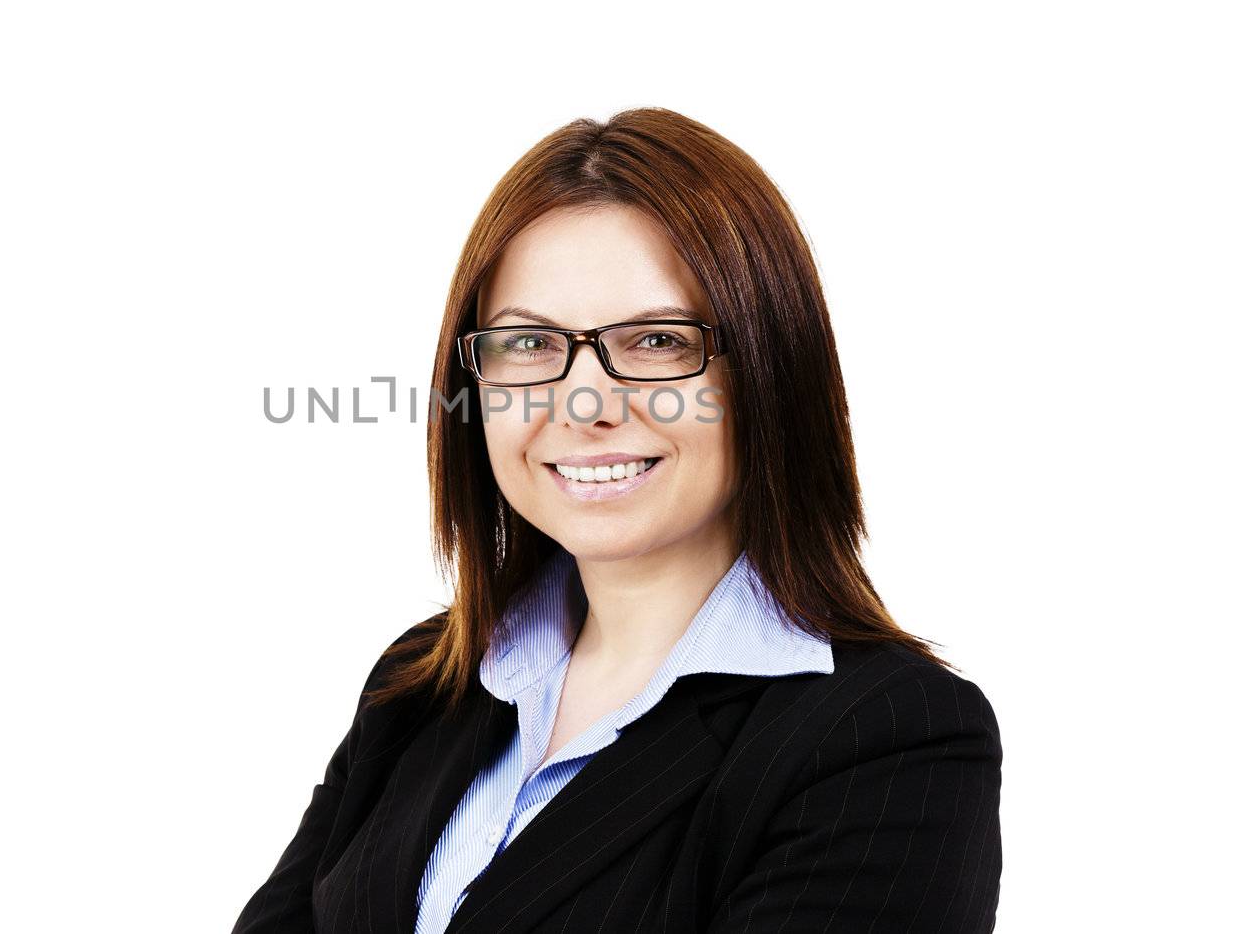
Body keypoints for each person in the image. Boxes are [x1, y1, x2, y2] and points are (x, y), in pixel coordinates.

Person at [232, 107, 1003, 933]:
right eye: (528, 346)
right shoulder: (420, 683)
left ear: (771, 369)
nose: (584, 402)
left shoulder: (890, 737)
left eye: (657, 340)